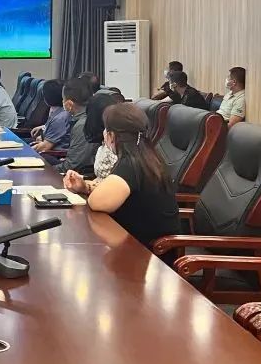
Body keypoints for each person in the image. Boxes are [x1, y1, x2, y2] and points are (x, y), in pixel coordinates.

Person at [63, 102, 180, 249]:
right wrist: (85, 187)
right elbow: (114, 192)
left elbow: (97, 202)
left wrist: (89, 190)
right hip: (142, 244)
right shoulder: (147, 156)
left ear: (111, 136)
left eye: (106, 129)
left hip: (149, 252)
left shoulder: (131, 164)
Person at [58, 78, 95, 175]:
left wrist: (47, 171)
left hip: (78, 175)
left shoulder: (82, 125)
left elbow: (72, 166)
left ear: (69, 104)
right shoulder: (88, 116)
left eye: (63, 99)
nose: (62, 102)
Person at [31, 79, 71, 158]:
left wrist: (23, 152)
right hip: (49, 148)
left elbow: (44, 147)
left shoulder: (60, 118)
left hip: (55, 155)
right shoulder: (59, 111)